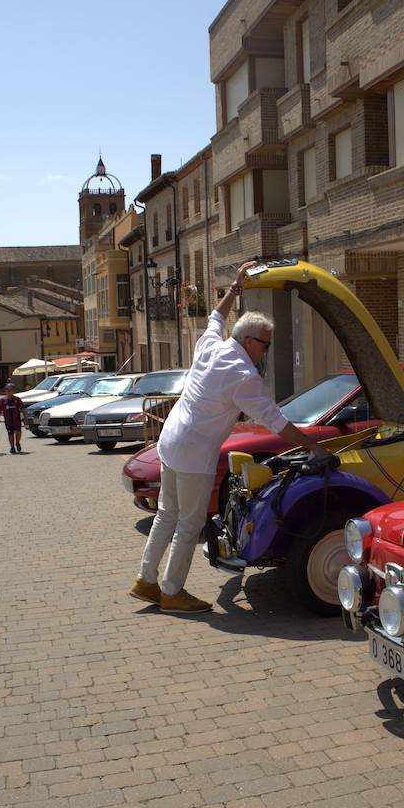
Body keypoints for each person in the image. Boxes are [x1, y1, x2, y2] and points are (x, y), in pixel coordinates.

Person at [132, 261, 327, 614]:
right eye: (265, 346)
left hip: (171, 440)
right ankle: (172, 592)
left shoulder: (211, 346)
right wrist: (313, 446)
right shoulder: (242, 374)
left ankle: (146, 581)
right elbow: (275, 421)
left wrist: (235, 288)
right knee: (190, 523)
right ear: (250, 341)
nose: (266, 352)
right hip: (193, 453)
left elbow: (214, 318)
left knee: (166, 513)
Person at [0, 382, 27, 454]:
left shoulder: (17, 399)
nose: (8, 391)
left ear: (13, 391)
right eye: (7, 390)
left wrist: (24, 418)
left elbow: (22, 409)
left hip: (16, 420)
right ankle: (12, 447)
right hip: (8, 420)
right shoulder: (2, 400)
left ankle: (17, 443)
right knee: (10, 433)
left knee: (18, 432)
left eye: (10, 390)